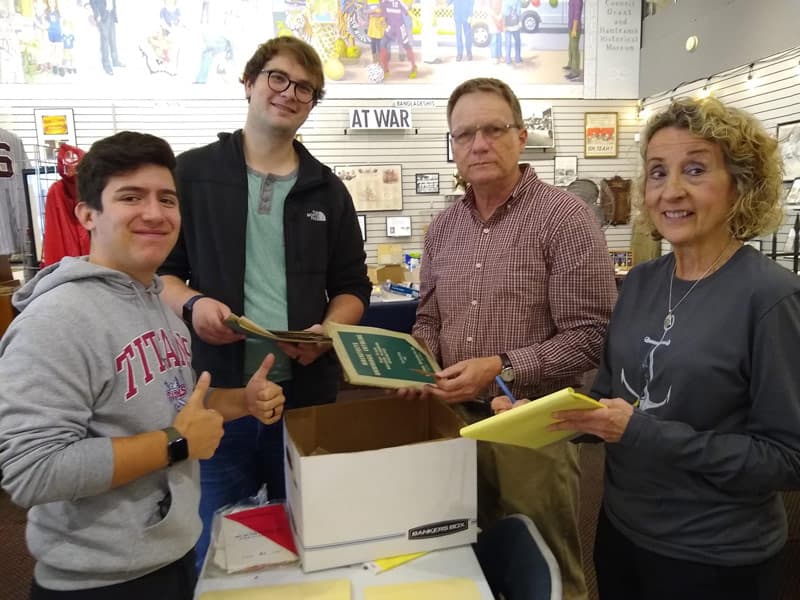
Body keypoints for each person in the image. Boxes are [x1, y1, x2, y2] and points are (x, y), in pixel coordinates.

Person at [497, 97, 800, 599]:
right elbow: (614, 400)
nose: (671, 191)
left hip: (714, 556)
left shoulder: (771, 298)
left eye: (696, 169)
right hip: (621, 532)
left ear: (740, 185)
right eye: (657, 172)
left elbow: (786, 459)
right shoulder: (639, 283)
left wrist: (641, 433)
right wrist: (547, 417)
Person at [0, 131, 286, 599]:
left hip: (165, 558)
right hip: (98, 583)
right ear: (87, 214)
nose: (155, 213)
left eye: (167, 199)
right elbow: (32, 470)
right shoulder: (56, 319)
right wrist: (175, 444)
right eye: (131, 197)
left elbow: (171, 403)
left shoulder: (159, 305)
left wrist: (242, 401)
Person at [157, 36, 371, 569]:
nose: (290, 93)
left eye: (306, 88)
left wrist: (329, 332)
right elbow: (160, 274)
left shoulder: (327, 189)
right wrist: (191, 306)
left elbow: (352, 286)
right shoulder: (192, 175)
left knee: (311, 542)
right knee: (213, 548)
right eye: (278, 78)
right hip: (216, 401)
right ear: (249, 83)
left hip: (306, 401)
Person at [406, 77, 617, 599]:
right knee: (461, 557)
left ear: (521, 136)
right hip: (451, 423)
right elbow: (428, 319)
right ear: (453, 147)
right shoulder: (442, 229)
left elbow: (592, 335)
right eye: (464, 134)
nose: (478, 144)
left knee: (546, 570)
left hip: (534, 425)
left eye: (493, 129)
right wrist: (416, 362)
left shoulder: (566, 218)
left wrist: (502, 365)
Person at [89, 0, 123, 76]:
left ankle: (115, 61)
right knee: (105, 41)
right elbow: (92, 2)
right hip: (102, 16)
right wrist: (97, 14)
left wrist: (114, 11)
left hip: (111, 14)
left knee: (113, 39)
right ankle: (106, 65)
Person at [565, 0, 583, 80]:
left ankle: (575, 72)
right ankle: (571, 65)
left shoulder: (578, 1)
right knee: (571, 48)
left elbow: (577, 15)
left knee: (574, 49)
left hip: (574, 28)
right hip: (571, 26)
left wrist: (574, 29)